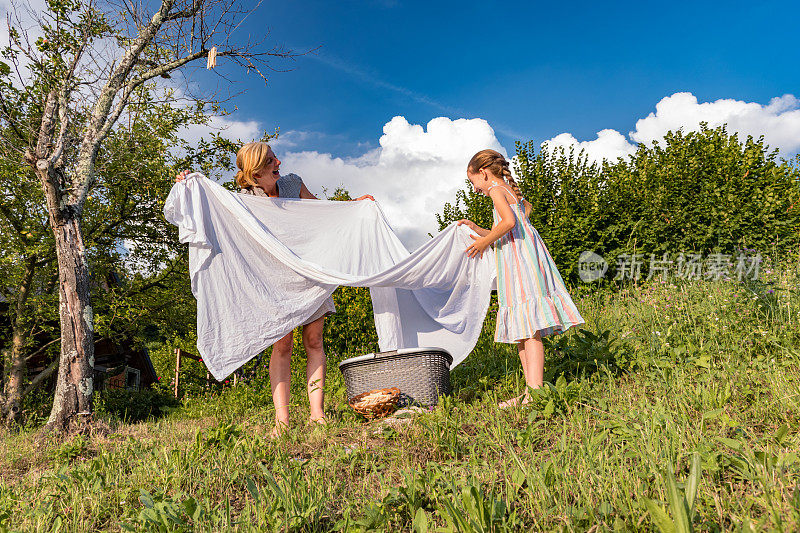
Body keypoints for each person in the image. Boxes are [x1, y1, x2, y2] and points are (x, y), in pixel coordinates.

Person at [176, 142, 374, 436]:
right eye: (270, 161)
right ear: (255, 172)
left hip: (308, 274)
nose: (278, 162)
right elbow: (213, 212)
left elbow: (321, 211)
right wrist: (190, 188)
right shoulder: (243, 200)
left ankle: (317, 413)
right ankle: (282, 419)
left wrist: (353, 207)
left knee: (315, 341)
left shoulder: (293, 183)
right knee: (282, 344)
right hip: (273, 283)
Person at [457, 149, 584, 408]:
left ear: (483, 173)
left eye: (473, 183)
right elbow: (514, 222)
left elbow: (509, 223)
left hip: (520, 261)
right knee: (522, 328)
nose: (475, 189)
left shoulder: (495, 190)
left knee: (529, 327)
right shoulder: (509, 190)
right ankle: (530, 393)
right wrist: (476, 229)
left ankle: (536, 394)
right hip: (521, 257)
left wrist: (483, 243)